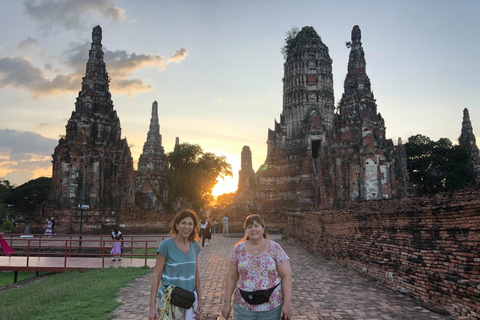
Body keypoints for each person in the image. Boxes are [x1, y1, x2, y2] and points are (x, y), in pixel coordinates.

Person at [221, 214, 293, 320]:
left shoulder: (275, 248)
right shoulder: (239, 249)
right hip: (243, 307)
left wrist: (287, 303)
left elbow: (286, 275)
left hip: (271, 307)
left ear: (263, 228)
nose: (253, 229)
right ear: (246, 230)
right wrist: (226, 302)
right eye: (249, 227)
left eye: (256, 226)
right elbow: (231, 276)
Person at [148, 210, 203, 320]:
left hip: (188, 300)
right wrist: (152, 306)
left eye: (190, 224)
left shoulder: (194, 245)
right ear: (176, 225)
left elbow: (195, 274)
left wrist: (200, 301)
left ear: (194, 227)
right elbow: (157, 276)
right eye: (183, 223)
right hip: (170, 301)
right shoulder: (166, 246)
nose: (186, 227)